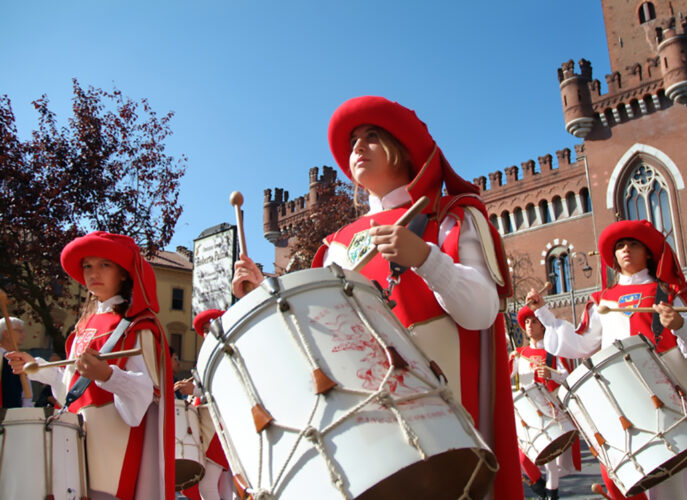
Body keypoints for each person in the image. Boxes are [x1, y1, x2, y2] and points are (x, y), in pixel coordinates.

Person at [232, 96, 522, 499]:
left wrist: (425, 258)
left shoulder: (453, 217)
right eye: (353, 141)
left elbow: (482, 312)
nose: (357, 147)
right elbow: (319, 337)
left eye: (372, 136)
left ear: (402, 150)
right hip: (368, 436)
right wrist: (261, 294)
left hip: (449, 424)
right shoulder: (338, 245)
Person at [525, 220, 687, 500]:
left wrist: (680, 324)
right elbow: (581, 344)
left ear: (648, 252)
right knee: (622, 483)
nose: (625, 250)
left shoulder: (671, 293)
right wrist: (544, 315)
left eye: (633, 244)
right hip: (620, 400)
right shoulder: (604, 300)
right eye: (620, 246)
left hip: (666, 399)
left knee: (671, 486)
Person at [5, 231, 175, 500]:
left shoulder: (139, 326)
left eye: (104, 264)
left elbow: (145, 393)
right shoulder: (83, 325)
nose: (93, 272)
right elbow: (71, 385)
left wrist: (107, 375)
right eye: (87, 266)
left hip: (112, 446)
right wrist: (34, 366)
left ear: (123, 273)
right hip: (73, 437)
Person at [510, 305, 579, 500]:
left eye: (534, 321)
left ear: (543, 326)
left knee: (550, 460)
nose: (530, 326)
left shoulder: (552, 353)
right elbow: (508, 378)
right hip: (527, 412)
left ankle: (551, 494)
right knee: (522, 457)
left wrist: (551, 374)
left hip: (548, 411)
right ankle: (539, 486)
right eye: (527, 322)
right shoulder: (519, 354)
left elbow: (566, 377)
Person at [175, 309, 235, 500]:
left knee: (210, 483)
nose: (209, 334)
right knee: (224, 483)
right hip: (208, 425)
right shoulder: (210, 357)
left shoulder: (228, 354)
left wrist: (194, 390)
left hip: (219, 425)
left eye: (212, 328)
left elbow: (227, 389)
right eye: (206, 330)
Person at [0, 316, 34, 408]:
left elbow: (26, 396)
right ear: (6, 333)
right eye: (20, 331)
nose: (24, 335)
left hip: (14, 416)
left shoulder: (21, 359)